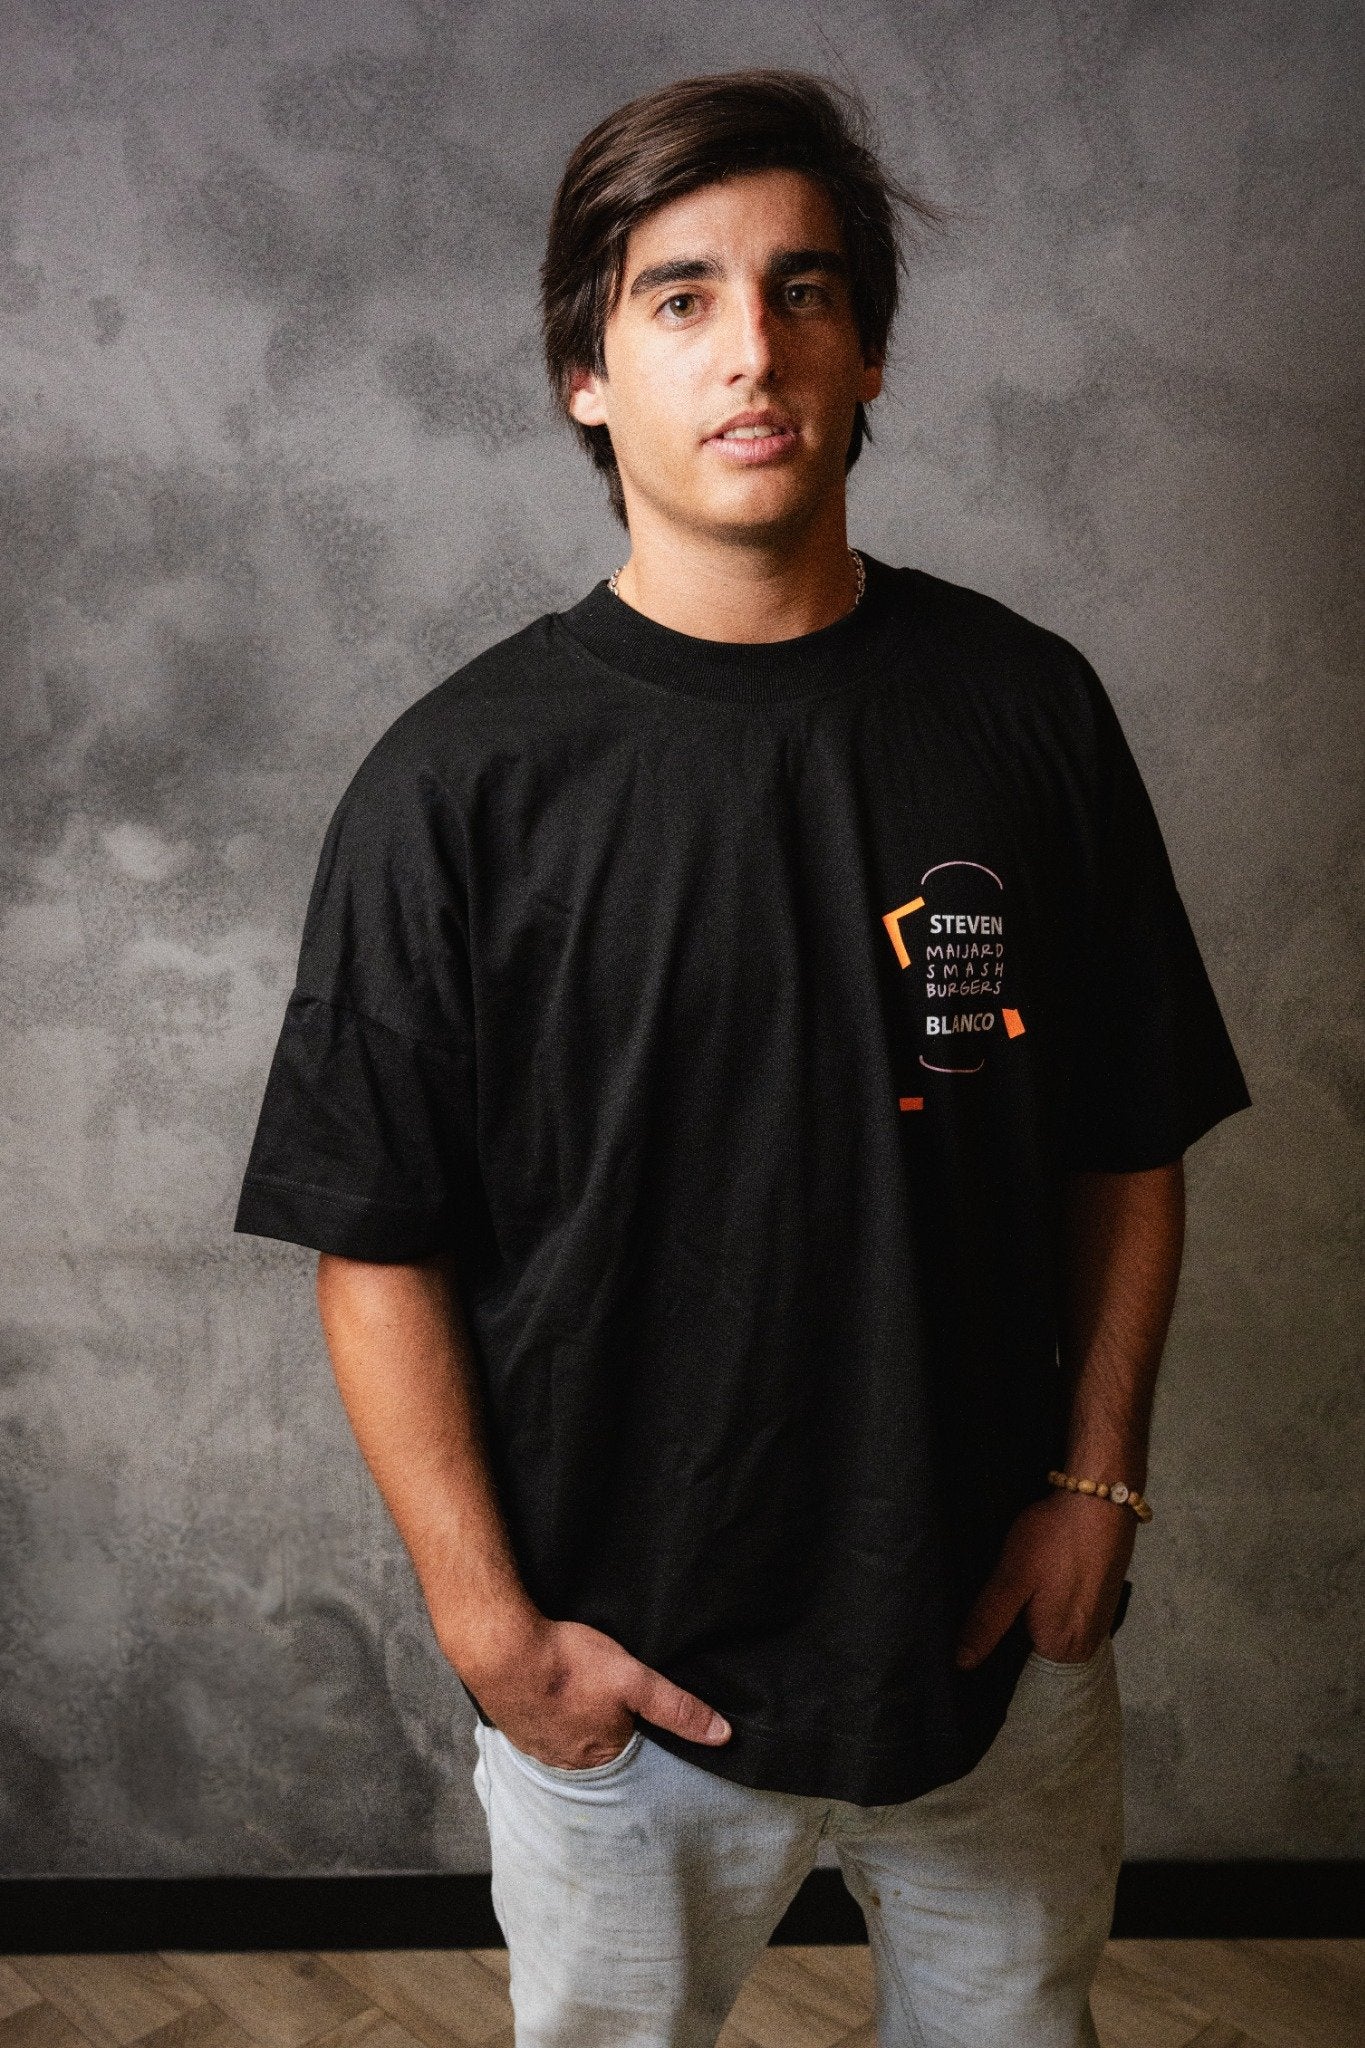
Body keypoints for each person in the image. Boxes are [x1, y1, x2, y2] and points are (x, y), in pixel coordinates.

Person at [234, 67, 1251, 2048]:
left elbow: (1124, 1141)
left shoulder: (1025, 712)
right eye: (678, 297)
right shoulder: (454, 788)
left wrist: (1096, 1488)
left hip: (992, 1653)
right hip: (623, 1696)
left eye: (802, 290)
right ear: (585, 373)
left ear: (866, 352)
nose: (751, 350)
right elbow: (375, 1247)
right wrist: (493, 1633)